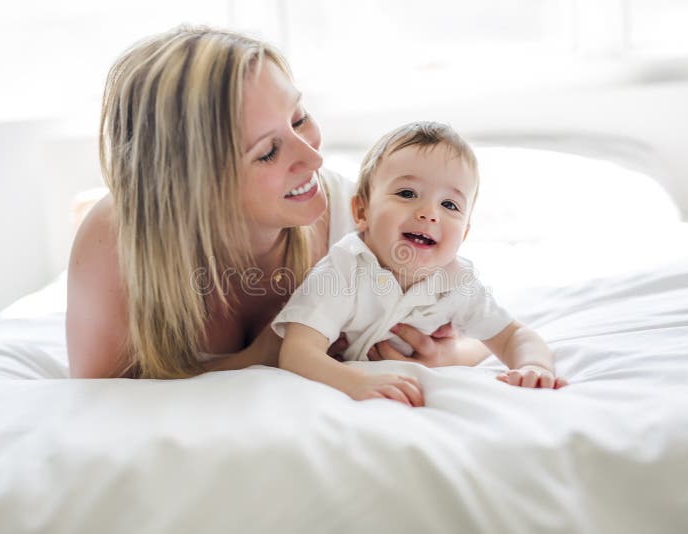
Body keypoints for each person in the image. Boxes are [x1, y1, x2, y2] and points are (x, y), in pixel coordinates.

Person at [66, 26, 488, 379]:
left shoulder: (359, 224)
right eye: (268, 151)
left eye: (300, 117)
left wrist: (446, 357)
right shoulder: (115, 241)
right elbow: (102, 395)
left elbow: (481, 333)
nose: (314, 158)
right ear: (196, 185)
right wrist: (253, 361)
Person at [273, 122, 568, 407]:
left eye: (450, 205)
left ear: (464, 234)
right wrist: (355, 382)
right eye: (407, 194)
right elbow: (297, 352)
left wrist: (534, 366)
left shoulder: (457, 281)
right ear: (362, 211)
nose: (429, 213)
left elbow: (513, 335)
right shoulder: (343, 268)